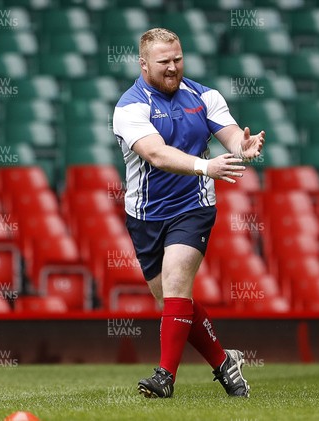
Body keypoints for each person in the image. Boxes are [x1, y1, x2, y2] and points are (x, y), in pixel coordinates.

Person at [112, 28, 264, 399]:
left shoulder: (204, 95)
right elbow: (156, 154)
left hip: (193, 207)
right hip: (145, 215)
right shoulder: (130, 107)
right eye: (164, 62)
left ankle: (165, 376)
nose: (173, 67)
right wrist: (204, 166)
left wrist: (241, 146)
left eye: (177, 59)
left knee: (179, 284)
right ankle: (224, 361)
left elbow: (228, 133)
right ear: (143, 63)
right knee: (173, 304)